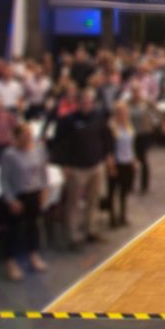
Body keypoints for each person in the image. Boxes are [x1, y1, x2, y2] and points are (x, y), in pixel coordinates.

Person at [54, 89, 111, 247]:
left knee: (94, 200)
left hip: (96, 166)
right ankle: (72, 235)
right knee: (73, 203)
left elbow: (105, 137)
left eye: (89, 102)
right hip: (77, 168)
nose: (87, 105)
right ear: (77, 103)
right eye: (83, 102)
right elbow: (59, 145)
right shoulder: (67, 121)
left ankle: (90, 230)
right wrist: (64, 164)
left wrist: (107, 156)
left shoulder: (98, 117)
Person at [0, 123, 50, 281]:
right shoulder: (9, 154)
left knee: (33, 226)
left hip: (34, 193)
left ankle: (34, 255)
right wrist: (11, 200)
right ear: (17, 136)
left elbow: (43, 172)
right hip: (17, 196)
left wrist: (44, 190)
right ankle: (10, 263)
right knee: (13, 231)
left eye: (30, 133)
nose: (28, 136)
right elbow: (3, 180)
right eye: (25, 134)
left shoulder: (39, 149)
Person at [106, 101, 137, 227]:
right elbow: (109, 147)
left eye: (124, 112)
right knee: (113, 191)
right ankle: (112, 217)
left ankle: (122, 216)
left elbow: (131, 145)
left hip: (128, 161)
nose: (123, 114)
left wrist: (134, 159)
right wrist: (111, 164)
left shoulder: (129, 125)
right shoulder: (112, 127)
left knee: (124, 191)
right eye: (120, 112)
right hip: (116, 162)